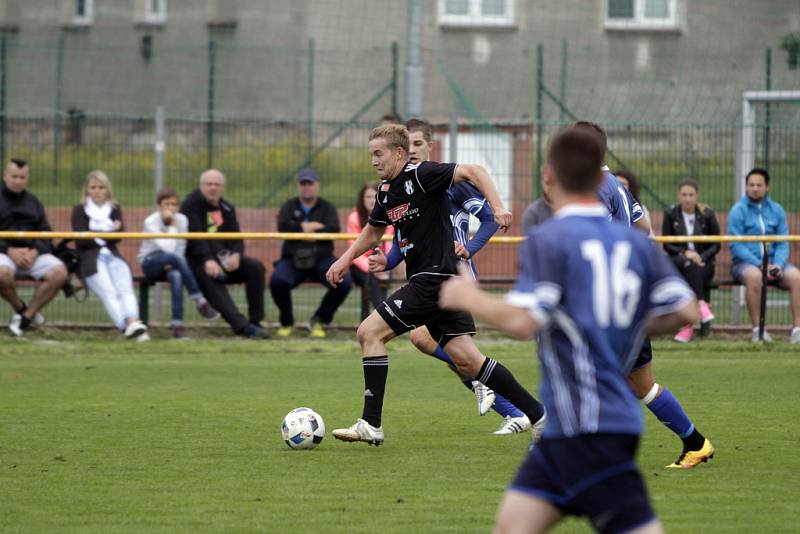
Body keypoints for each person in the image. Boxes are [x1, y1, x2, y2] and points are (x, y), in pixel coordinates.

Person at [440, 125, 698, 534]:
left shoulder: (551, 239)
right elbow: (687, 311)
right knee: (512, 525)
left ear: (548, 177)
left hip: (588, 427)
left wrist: (470, 298)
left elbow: (525, 322)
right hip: (587, 427)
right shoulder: (633, 243)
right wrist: (624, 321)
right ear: (603, 178)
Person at [325, 123, 546, 446]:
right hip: (438, 282)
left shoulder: (422, 174)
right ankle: (540, 416)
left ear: (399, 153)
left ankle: (371, 423)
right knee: (469, 360)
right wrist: (344, 260)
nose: (373, 160)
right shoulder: (386, 191)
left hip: (434, 278)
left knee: (368, 332)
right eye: (371, 154)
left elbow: (475, 170)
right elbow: (374, 232)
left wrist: (498, 207)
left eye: (379, 153)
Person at [369, 117, 531, 436]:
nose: (413, 150)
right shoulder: (402, 187)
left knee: (426, 340)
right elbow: (407, 241)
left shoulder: (448, 181)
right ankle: (511, 404)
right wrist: (385, 262)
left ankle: (502, 399)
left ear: (429, 145)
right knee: (451, 351)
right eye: (409, 144)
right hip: (428, 274)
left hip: (451, 275)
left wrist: (468, 248)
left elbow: (487, 219)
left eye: (418, 144)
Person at [573, 121, 714, 469]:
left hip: (614, 303)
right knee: (641, 385)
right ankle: (696, 443)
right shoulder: (615, 187)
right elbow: (642, 227)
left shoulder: (596, 188)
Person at [180, 169, 268, 339]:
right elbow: (195, 238)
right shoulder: (191, 205)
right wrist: (207, 260)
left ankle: (256, 321)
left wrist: (236, 254)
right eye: (208, 184)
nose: (213, 188)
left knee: (255, 267)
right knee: (210, 277)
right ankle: (242, 327)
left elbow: (237, 238)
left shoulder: (227, 208)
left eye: (217, 184)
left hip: (224, 259)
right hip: (199, 262)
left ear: (222, 187)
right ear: (201, 186)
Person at [270, 168, 352, 338]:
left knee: (344, 282)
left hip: (321, 258)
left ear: (317, 185)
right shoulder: (289, 205)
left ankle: (319, 320)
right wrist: (311, 228)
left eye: (310, 183)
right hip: (293, 258)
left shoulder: (327, 207)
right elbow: (283, 227)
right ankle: (286, 322)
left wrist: (299, 231)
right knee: (277, 280)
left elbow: (333, 228)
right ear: (298, 186)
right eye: (303, 183)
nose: (306, 187)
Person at [71, 170, 148, 341]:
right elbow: (82, 240)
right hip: (91, 260)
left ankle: (133, 322)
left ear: (107, 190)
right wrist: (109, 231)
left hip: (113, 256)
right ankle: (125, 326)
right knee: (109, 292)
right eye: (93, 187)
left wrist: (98, 233)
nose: (97, 191)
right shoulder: (79, 210)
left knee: (125, 288)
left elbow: (119, 236)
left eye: (101, 187)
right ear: (87, 190)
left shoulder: (114, 209)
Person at [728, 168, 800, 344]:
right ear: (746, 187)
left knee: (797, 277)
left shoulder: (777, 210)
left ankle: (797, 330)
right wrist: (760, 264)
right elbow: (735, 245)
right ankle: (758, 332)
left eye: (759, 184)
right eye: (751, 184)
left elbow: (783, 242)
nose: (754, 188)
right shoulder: (737, 210)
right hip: (745, 264)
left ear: (767, 186)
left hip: (775, 264)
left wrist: (778, 264)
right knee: (754, 276)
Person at [138, 187, 219, 339]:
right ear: (159, 205)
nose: (170, 208)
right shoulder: (151, 222)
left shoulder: (183, 219)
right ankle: (199, 300)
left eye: (174, 204)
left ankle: (177, 326)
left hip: (173, 261)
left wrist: (173, 261)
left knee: (176, 276)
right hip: (150, 261)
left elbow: (180, 248)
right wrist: (172, 225)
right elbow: (168, 248)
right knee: (175, 259)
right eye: (166, 204)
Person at [0, 158, 68, 336]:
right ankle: (21, 308)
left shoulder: (34, 201)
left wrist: (35, 251)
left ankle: (26, 317)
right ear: (4, 176)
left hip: (33, 253)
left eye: (22, 177)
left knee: (60, 272)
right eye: (14, 176)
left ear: (27, 178)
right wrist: (8, 250)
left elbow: (46, 232)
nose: (18, 181)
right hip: (4, 252)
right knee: (1, 273)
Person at [662, 178, 720, 343]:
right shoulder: (670, 214)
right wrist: (685, 252)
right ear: (678, 195)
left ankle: (686, 328)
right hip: (680, 262)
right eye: (684, 194)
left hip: (704, 265)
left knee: (690, 276)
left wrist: (701, 257)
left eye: (691, 195)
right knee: (686, 264)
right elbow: (667, 244)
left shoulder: (707, 214)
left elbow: (716, 244)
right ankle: (701, 305)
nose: (687, 198)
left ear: (697, 195)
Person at [346, 181, 393, 309]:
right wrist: (370, 266)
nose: (372, 200)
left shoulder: (388, 216)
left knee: (382, 275)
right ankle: (382, 312)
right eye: (368, 197)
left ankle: (381, 313)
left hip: (380, 261)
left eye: (375, 196)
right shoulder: (354, 218)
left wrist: (385, 263)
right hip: (358, 265)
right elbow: (353, 248)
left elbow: (389, 244)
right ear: (362, 199)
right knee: (371, 277)